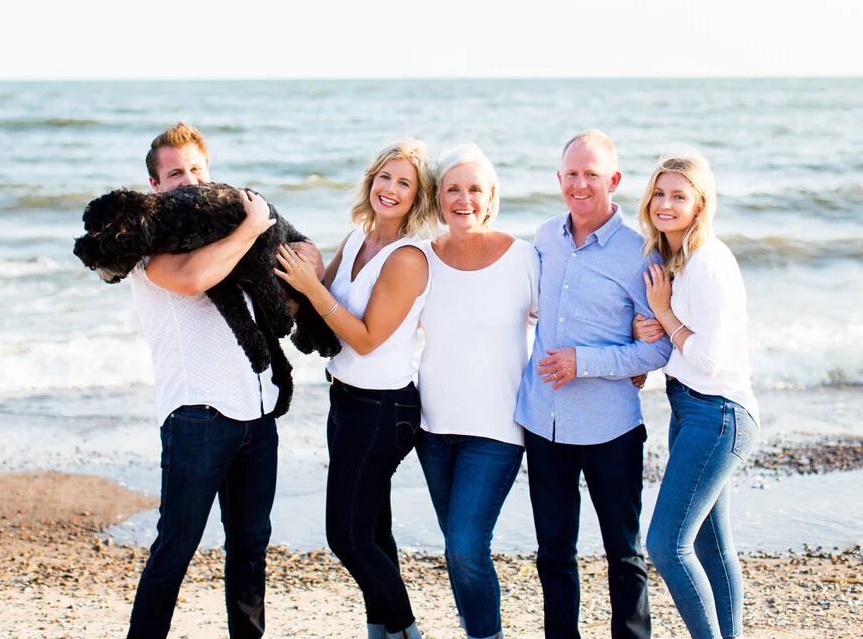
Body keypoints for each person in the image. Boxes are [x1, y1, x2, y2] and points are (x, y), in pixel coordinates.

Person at [125, 122, 324, 639]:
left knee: (251, 547)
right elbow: (194, 278)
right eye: (175, 173)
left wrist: (302, 265)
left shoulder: (230, 230)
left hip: (258, 414)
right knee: (176, 546)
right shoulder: (146, 245)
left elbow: (293, 273)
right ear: (155, 185)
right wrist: (252, 227)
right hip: (197, 416)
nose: (189, 181)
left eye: (197, 169)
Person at [513, 130, 673, 639]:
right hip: (544, 423)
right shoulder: (543, 238)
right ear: (559, 178)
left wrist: (582, 361)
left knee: (624, 554)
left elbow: (658, 350)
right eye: (572, 175)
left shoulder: (640, 253)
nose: (580, 185)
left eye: (592, 175)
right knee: (553, 553)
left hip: (611, 429)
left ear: (614, 180)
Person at [275, 138, 437, 639]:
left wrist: (311, 286)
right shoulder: (354, 239)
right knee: (372, 532)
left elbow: (365, 339)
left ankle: (408, 631)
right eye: (385, 176)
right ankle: (380, 631)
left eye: (404, 183)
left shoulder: (408, 258)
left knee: (346, 536)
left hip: (384, 410)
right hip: (344, 400)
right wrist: (290, 266)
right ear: (371, 179)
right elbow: (314, 307)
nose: (391, 188)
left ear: (417, 198)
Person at [414, 143, 540, 639]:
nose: (463, 200)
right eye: (453, 189)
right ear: (438, 198)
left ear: (490, 198)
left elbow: (564, 320)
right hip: (432, 428)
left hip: (497, 430)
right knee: (455, 548)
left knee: (466, 547)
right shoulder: (421, 258)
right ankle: (476, 628)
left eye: (474, 190)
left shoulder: (524, 257)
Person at [639, 153, 760, 639]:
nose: (665, 204)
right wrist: (651, 327)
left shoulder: (708, 261)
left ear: (700, 205)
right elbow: (681, 347)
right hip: (692, 410)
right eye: (659, 193)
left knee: (666, 545)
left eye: (678, 196)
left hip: (719, 415)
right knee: (711, 546)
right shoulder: (674, 260)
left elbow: (709, 359)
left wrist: (664, 314)